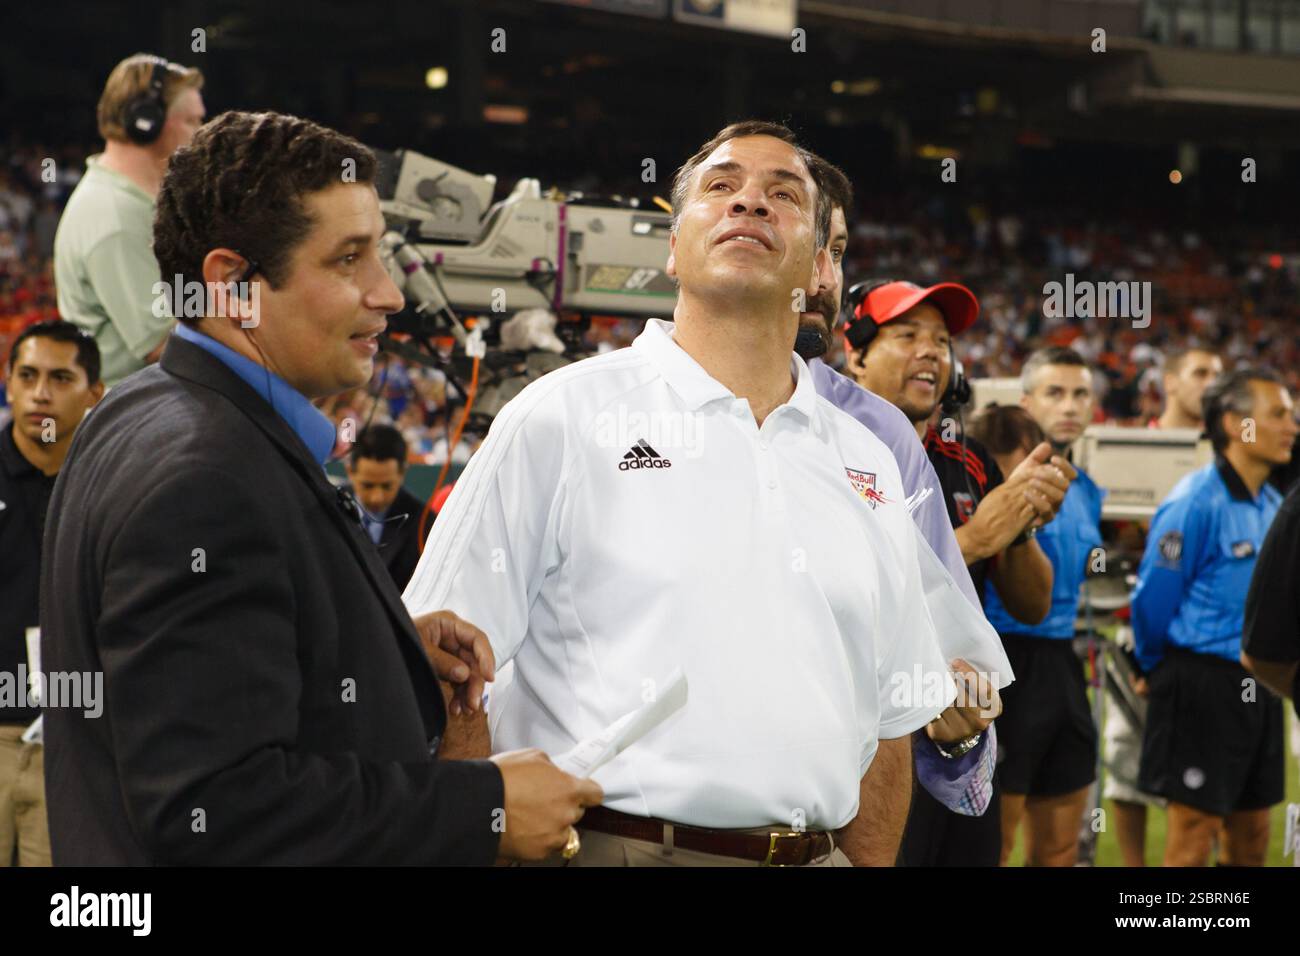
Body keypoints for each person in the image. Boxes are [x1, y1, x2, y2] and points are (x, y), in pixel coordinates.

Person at [41, 110, 599, 865]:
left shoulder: (141, 407)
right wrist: (486, 808)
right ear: (233, 285)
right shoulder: (205, 479)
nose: (389, 293)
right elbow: (217, 810)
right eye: (348, 260)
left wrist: (380, 653)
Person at [405, 120, 962, 866]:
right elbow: (445, 664)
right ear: (672, 248)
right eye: (722, 187)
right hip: (617, 847)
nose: (751, 204)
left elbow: (892, 718)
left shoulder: (866, 457)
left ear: (822, 266)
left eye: (784, 194)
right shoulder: (560, 417)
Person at [838, 279, 1076, 867]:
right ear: (856, 353)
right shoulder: (831, 448)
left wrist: (1020, 524)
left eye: (941, 341)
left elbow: (1031, 604)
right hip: (875, 739)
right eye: (906, 334)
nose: (930, 352)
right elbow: (857, 590)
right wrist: (976, 539)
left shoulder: (966, 462)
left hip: (966, 732)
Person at [1132, 368, 1296, 866]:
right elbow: (1153, 599)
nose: (1292, 424)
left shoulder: (1274, 504)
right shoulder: (1194, 502)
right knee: (1193, 835)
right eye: (1279, 414)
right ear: (1236, 424)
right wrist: (1152, 667)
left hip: (1260, 686)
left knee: (1252, 835)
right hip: (1200, 683)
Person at [985, 347, 1105, 866]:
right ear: (1027, 401)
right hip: (1005, 661)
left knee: (1059, 847)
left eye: (1080, 394)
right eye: (1055, 393)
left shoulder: (1090, 491)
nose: (1070, 406)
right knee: (995, 843)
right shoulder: (992, 476)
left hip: (1063, 661)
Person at [0, 321, 103, 866]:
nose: (41, 392)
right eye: (28, 375)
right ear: (9, 384)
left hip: (75, 742)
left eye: (61, 377)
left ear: (95, 393)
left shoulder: (115, 483)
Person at [54, 54, 205, 386]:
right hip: (134, 416)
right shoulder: (114, 214)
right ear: (146, 122)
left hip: (153, 404)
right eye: (191, 122)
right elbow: (163, 344)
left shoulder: (136, 200)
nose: (200, 135)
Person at [345, 423, 429, 590]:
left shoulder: (425, 524)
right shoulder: (326, 511)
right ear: (349, 472)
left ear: (403, 473)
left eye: (387, 486)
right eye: (367, 485)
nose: (377, 497)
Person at [1155, 347, 1222, 431]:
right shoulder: (1139, 442)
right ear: (1169, 382)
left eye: (1217, 376)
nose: (1212, 384)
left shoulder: (1230, 442)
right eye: (1200, 374)